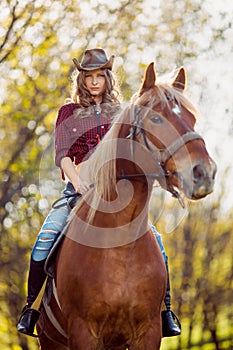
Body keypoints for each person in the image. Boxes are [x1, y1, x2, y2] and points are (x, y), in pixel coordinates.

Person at [16, 48, 181, 338]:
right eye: (88, 77)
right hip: (77, 191)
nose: (94, 82)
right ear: (81, 79)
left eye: (99, 77)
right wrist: (77, 181)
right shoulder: (68, 112)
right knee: (43, 242)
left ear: (107, 78)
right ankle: (31, 309)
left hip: (115, 195)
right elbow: (63, 155)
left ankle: (166, 312)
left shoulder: (120, 112)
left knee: (157, 243)